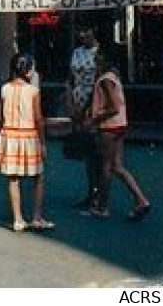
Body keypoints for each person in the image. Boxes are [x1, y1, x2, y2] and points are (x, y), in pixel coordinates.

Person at [85, 50, 151, 221]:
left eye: (98, 60)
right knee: (117, 166)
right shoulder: (113, 77)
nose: (95, 63)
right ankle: (141, 199)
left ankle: (102, 206)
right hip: (120, 124)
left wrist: (94, 119)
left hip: (108, 126)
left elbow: (113, 107)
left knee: (105, 167)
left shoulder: (106, 79)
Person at [0, 52, 53, 232]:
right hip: (29, 136)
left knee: (13, 177)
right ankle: (36, 217)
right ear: (27, 71)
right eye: (32, 67)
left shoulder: (4, 89)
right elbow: (38, 118)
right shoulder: (33, 91)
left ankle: (18, 219)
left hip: (9, 135)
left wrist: (0, 136)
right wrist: (43, 142)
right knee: (38, 176)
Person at [66, 26, 99, 210]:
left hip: (93, 104)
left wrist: (86, 107)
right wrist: (70, 103)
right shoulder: (77, 52)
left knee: (97, 151)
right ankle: (90, 192)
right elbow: (70, 78)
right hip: (77, 102)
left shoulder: (101, 53)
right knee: (87, 151)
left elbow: (100, 82)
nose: (83, 35)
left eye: (87, 32)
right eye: (82, 32)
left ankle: (98, 194)